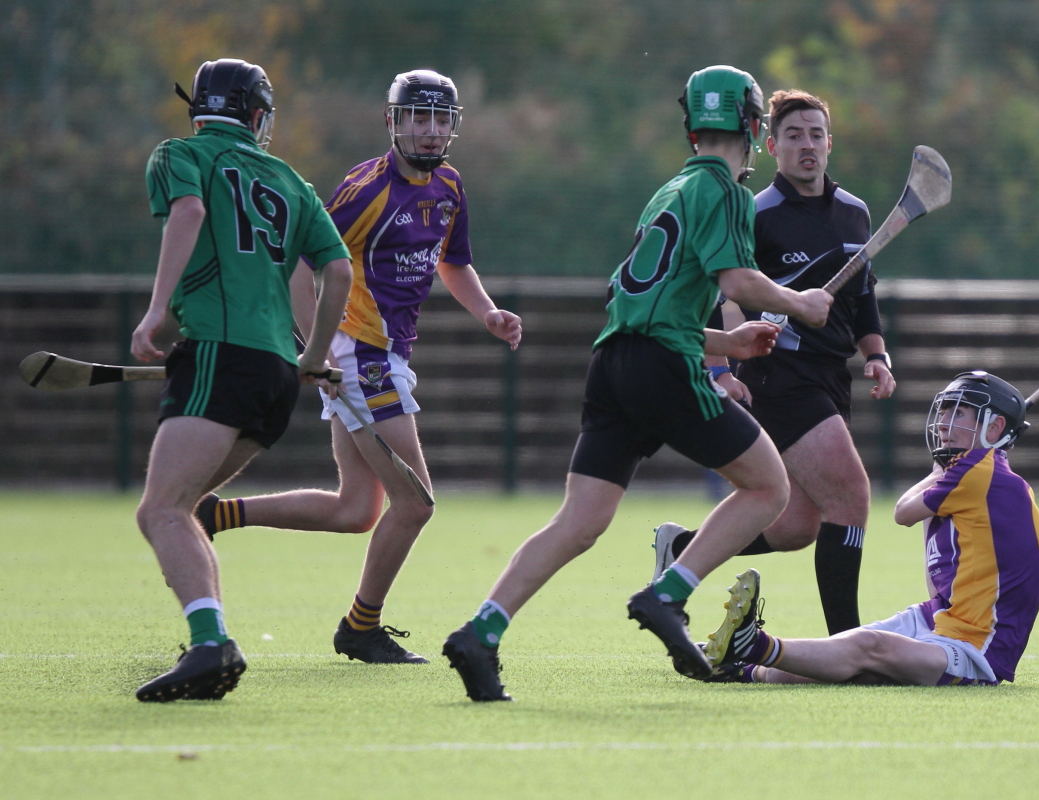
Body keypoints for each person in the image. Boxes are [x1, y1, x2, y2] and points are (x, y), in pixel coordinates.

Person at [440, 65, 835, 702]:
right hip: (660, 365)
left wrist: (726, 343)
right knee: (770, 486)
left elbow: (645, 305)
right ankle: (667, 595)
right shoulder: (727, 192)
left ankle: (480, 633)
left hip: (615, 361)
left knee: (579, 521)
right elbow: (737, 283)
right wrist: (800, 303)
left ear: (692, 126)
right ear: (753, 124)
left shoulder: (668, 190)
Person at [195, 70, 522, 664]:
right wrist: (312, 345)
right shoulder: (368, 190)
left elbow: (453, 262)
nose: (429, 131)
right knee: (417, 503)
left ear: (454, 125)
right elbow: (298, 258)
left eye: (440, 119)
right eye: (417, 118)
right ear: (392, 122)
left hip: (383, 352)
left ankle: (217, 513)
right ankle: (361, 628)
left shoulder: (448, 185)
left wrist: (489, 313)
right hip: (361, 354)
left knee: (358, 510)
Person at [131, 59, 353, 701]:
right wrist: (313, 356)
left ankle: (210, 645)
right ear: (256, 116)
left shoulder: (179, 153)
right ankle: (209, 642)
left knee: (163, 509)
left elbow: (191, 211)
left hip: (220, 357)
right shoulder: (291, 180)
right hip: (278, 376)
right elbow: (334, 273)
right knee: (182, 507)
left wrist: (155, 311)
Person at [652, 89, 895, 636]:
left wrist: (875, 354)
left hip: (833, 375)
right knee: (851, 496)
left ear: (830, 143)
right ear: (771, 143)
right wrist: (721, 368)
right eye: (793, 135)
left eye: (815, 134)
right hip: (778, 374)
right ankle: (846, 644)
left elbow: (864, 296)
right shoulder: (755, 213)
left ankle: (683, 551)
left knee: (795, 526)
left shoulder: (855, 213)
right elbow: (722, 293)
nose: (806, 145)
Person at [691, 371, 1039, 687]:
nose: (942, 421)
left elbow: (903, 511)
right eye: (944, 409)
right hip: (940, 618)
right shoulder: (975, 477)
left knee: (865, 648)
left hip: (976, 650)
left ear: (995, 428)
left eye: (958, 412)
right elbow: (936, 579)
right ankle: (738, 666)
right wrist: (941, 471)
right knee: (846, 654)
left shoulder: (980, 472)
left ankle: (751, 645)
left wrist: (938, 472)